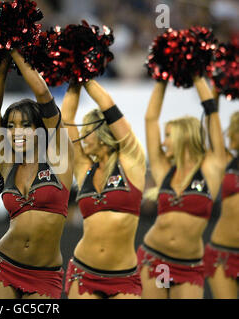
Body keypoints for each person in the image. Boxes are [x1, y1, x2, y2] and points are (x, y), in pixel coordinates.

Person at [0, 50, 73, 299]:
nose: (16, 132)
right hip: (4, 266)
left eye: (25, 125)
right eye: (10, 126)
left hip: (44, 275)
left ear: (40, 129)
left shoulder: (59, 159)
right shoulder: (8, 163)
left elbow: (43, 94)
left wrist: (15, 49)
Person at [139, 77, 226, 298]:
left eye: (168, 136)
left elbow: (212, 113)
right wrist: (161, 79)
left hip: (188, 265)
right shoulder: (164, 169)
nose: (163, 142)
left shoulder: (211, 167)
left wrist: (197, 77)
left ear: (183, 137)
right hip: (155, 258)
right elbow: (150, 119)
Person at [62, 80, 146, 299]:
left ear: (103, 132)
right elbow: (66, 121)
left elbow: (108, 104)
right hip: (84, 273)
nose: (81, 137)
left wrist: (85, 76)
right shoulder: (84, 168)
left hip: (123, 277)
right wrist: (73, 79)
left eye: (87, 131)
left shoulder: (131, 160)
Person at [204, 107, 239, 299]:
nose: (229, 136)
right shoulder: (227, 161)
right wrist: (214, 97)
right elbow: (212, 134)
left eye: (233, 130)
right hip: (222, 253)